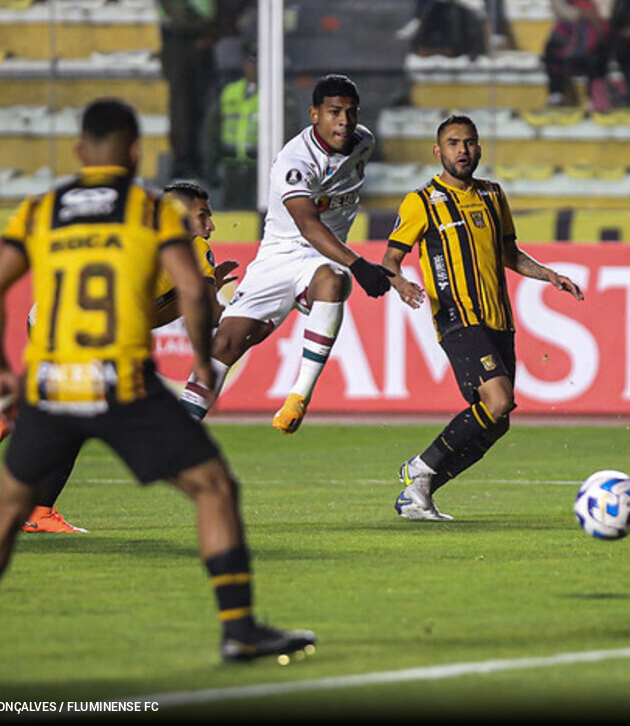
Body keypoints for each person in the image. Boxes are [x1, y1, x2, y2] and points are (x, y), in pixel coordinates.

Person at [0, 98, 313, 664]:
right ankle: (238, 629)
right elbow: (191, 294)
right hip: (120, 381)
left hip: (53, 376)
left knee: (8, 506)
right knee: (214, 489)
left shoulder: (45, 208)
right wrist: (203, 362)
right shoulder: (154, 214)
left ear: (78, 152)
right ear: (136, 151)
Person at [0, 180, 239, 534]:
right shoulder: (192, 246)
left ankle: (26, 436)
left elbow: (157, 310)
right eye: (203, 216)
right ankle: (35, 494)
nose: (210, 226)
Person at [178, 74, 408, 434]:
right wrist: (360, 264)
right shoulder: (294, 160)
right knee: (225, 343)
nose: (344, 121)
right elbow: (307, 223)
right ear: (314, 114)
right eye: (334, 112)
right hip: (281, 254)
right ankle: (178, 433)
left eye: (350, 112)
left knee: (332, 281)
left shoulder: (363, 142)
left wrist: (350, 266)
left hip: (322, 257)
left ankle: (299, 396)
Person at [382, 114, 584, 521]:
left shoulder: (493, 195)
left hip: (498, 320)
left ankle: (419, 492)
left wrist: (549, 275)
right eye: (454, 143)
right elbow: (389, 260)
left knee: (497, 421)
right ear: (438, 152)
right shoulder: (421, 201)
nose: (463, 150)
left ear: (479, 148)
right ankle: (420, 465)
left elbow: (509, 253)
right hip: (457, 317)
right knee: (499, 399)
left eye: (469, 142)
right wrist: (401, 284)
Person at [153, 0, 237, 181]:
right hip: (179, 45)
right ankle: (182, 162)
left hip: (205, 45)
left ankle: (204, 161)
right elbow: (179, 12)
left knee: (206, 105)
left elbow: (222, 4)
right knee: (182, 106)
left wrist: (213, 34)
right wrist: (208, 30)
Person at [199, 38, 260, 210]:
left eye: (257, 62)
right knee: (233, 216)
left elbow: (288, 130)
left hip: (261, 169)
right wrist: (209, 166)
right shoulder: (230, 92)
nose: (253, 67)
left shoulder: (277, 93)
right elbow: (211, 129)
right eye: (250, 62)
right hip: (231, 168)